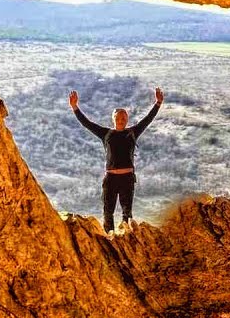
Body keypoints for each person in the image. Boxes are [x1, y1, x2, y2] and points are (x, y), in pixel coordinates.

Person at [69, 87, 163, 234]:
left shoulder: (132, 132)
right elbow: (87, 124)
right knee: (108, 212)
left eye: (123, 118)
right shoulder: (105, 134)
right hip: (111, 178)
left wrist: (158, 103)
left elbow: (147, 120)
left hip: (127, 179)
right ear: (113, 120)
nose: (121, 121)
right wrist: (75, 107)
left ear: (127, 120)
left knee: (127, 213)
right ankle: (109, 238)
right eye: (118, 118)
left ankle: (126, 239)